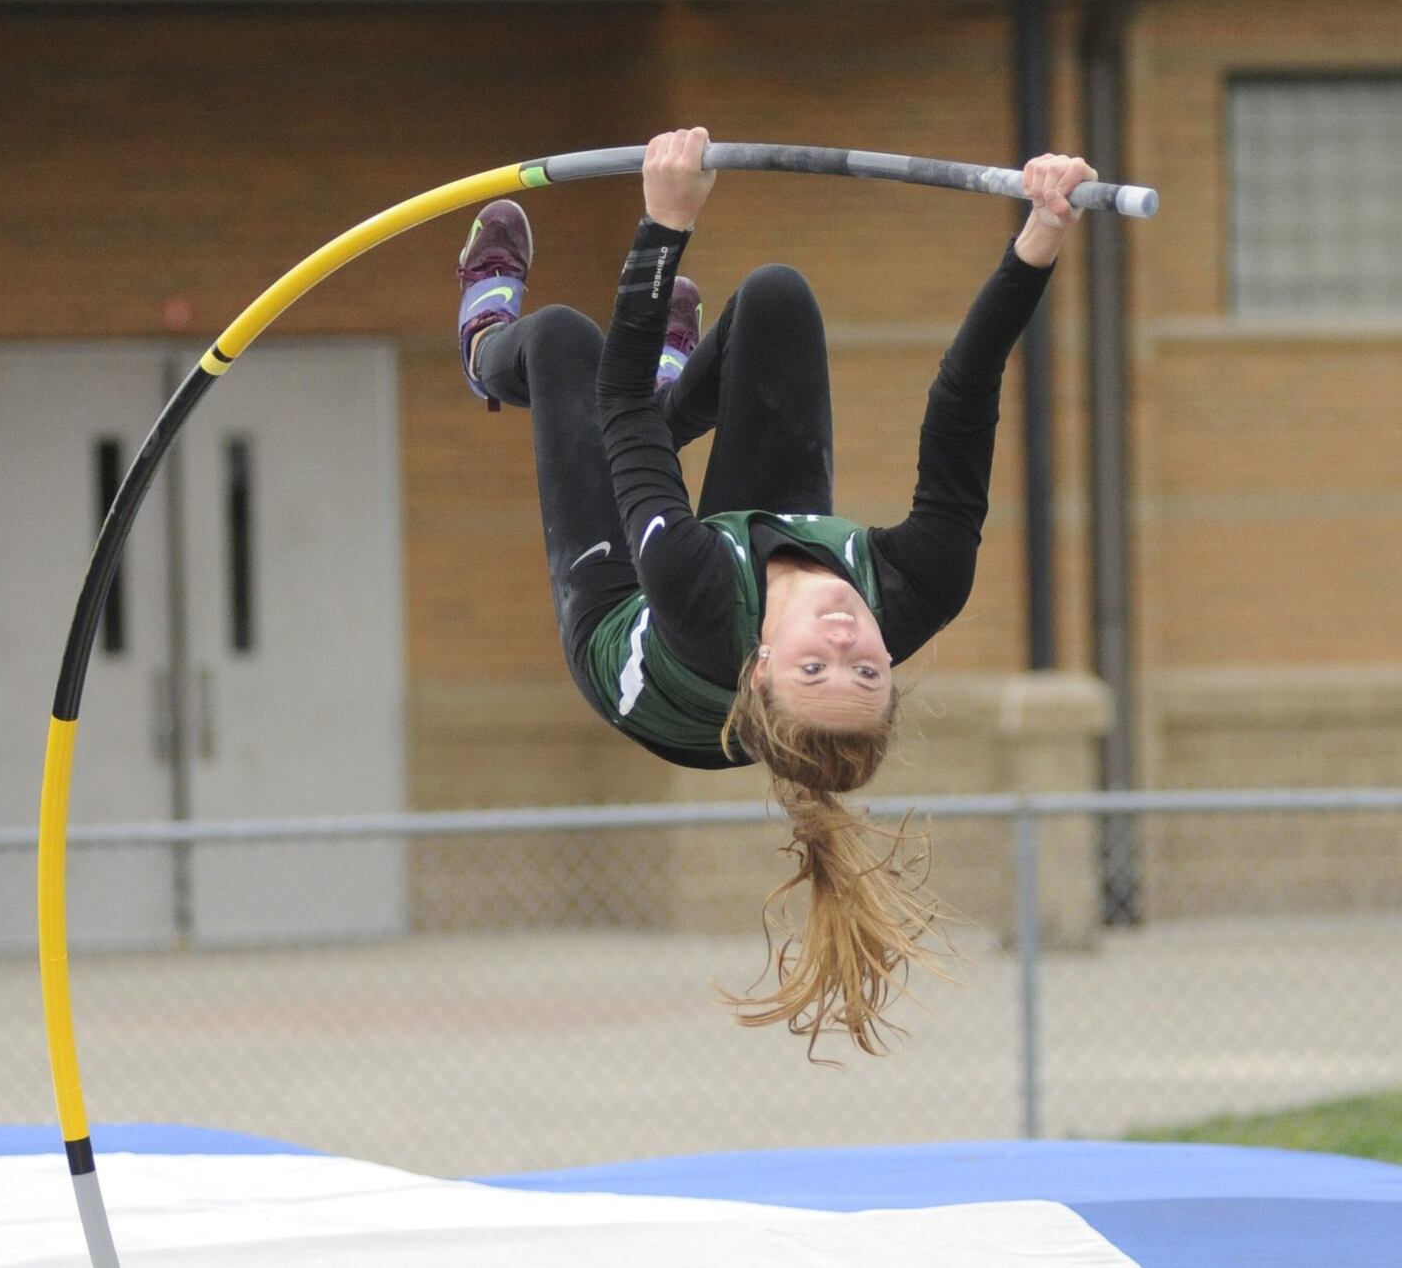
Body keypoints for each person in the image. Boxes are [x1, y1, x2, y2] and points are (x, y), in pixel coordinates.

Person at [453, 127, 1093, 1059]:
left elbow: (618, 407)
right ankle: (677, 392)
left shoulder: (696, 594)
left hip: (628, 626)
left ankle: (480, 344)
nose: (843, 631)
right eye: (865, 665)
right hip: (746, 542)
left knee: (564, 346)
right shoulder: (922, 583)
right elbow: (965, 394)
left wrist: (664, 223)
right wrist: (1036, 242)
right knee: (775, 301)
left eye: (815, 663)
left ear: (760, 669)